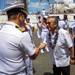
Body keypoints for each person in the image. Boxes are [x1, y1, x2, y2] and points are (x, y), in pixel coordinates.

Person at [0, 4, 40, 75]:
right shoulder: (21, 34)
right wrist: (37, 49)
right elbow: (32, 56)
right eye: (24, 17)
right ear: (19, 16)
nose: (24, 20)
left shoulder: (2, 30)